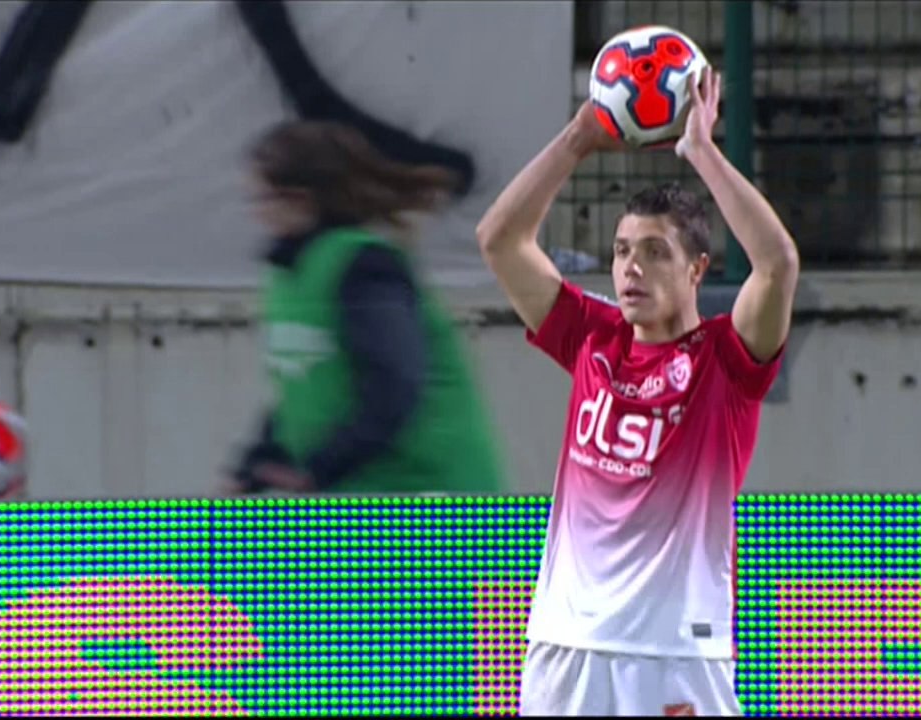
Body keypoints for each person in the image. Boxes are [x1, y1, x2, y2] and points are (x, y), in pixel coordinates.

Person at [475, 68, 799, 716]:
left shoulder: (726, 361)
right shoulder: (593, 338)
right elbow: (499, 240)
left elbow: (778, 263)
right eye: (623, 250)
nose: (630, 267)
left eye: (654, 252)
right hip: (567, 648)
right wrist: (578, 138)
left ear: (698, 270)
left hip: (677, 655)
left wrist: (703, 153)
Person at [226, 120, 504, 497]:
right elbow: (302, 391)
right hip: (360, 496)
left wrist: (316, 470)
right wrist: (256, 466)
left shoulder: (365, 267)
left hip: (428, 494)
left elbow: (394, 385)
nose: (256, 213)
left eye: (262, 199)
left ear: (301, 200)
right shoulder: (288, 276)